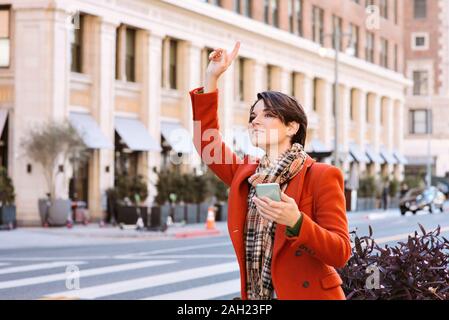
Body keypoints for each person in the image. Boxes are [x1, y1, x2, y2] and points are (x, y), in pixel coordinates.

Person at [189, 41, 351, 300]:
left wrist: (296, 221)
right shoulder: (247, 174)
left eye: (267, 115)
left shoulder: (321, 175)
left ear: (291, 127)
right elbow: (207, 141)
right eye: (253, 116)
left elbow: (340, 252)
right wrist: (212, 77)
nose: (255, 121)